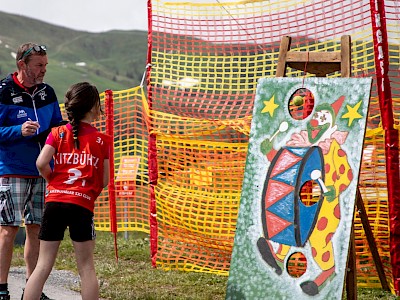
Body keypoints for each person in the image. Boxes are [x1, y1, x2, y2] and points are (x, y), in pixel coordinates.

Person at [23, 82, 111, 300]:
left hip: (55, 202)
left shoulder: (57, 133)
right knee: (86, 268)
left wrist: (54, 181)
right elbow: (106, 180)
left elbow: (41, 163)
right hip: (82, 205)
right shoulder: (102, 140)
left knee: (42, 266)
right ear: (93, 107)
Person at [0, 43, 63, 300]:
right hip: (12, 169)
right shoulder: (3, 91)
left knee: (36, 229)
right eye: (39, 65)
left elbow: (58, 126)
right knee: (8, 229)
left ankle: (32, 287)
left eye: (45, 65)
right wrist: (18, 131)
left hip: (44, 171)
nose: (44, 70)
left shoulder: (48, 92)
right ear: (22, 65)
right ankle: (2, 288)